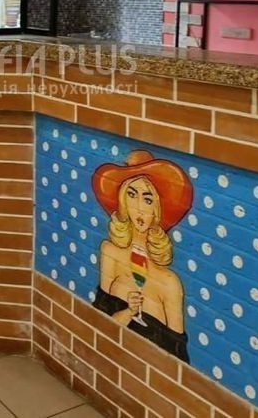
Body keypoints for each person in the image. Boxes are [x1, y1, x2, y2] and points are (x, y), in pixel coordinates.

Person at [91, 150, 193, 362]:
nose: (138, 208)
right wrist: (128, 312)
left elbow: (178, 359)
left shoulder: (170, 283)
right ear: (122, 200)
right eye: (131, 195)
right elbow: (99, 327)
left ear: (158, 208)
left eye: (147, 199)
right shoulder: (110, 252)